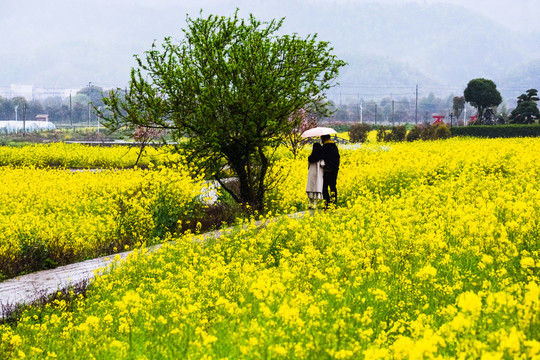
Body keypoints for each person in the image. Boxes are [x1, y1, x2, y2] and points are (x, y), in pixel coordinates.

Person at [308, 134, 340, 208]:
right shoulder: (334, 146)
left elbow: (315, 158)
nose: (321, 141)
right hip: (335, 170)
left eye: (322, 139)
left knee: (324, 187)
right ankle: (334, 203)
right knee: (333, 186)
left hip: (327, 170)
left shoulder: (325, 147)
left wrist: (310, 157)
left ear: (324, 139)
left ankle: (327, 203)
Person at [306, 143, 324, 209]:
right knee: (316, 189)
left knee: (310, 189)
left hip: (311, 174)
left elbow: (308, 166)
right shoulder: (320, 158)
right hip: (318, 175)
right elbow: (322, 165)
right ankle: (315, 204)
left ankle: (309, 203)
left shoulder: (310, 158)